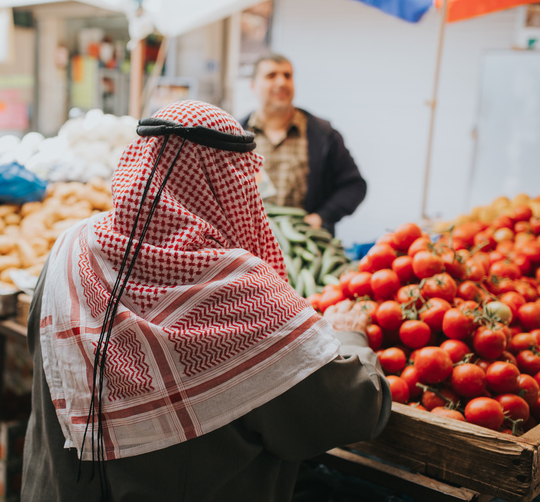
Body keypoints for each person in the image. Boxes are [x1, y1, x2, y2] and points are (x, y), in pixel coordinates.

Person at [21, 101, 390, 502]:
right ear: (233, 182)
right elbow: (350, 412)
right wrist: (351, 336)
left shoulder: (69, 249)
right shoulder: (247, 298)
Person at [240, 54, 367, 236]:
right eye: (271, 76)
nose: (281, 82)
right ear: (252, 85)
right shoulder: (234, 134)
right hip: (248, 242)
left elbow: (355, 186)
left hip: (303, 243)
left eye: (287, 75)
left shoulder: (323, 134)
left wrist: (321, 217)